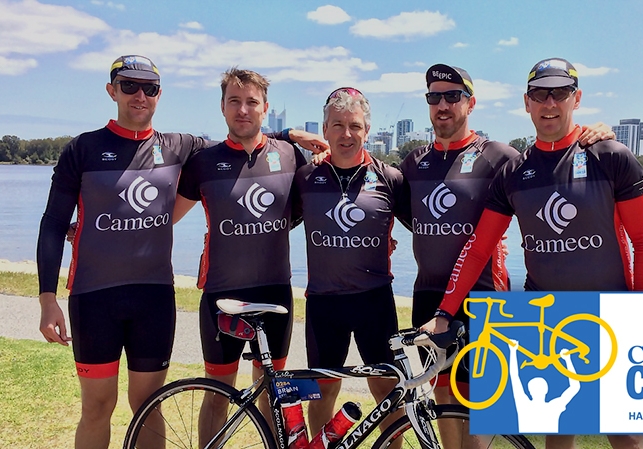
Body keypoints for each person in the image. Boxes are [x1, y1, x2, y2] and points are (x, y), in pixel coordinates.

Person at [36, 55, 325, 449]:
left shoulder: (182, 147)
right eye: (129, 86)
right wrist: (47, 297)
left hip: (157, 296)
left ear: (159, 95)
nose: (140, 95)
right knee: (98, 406)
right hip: (95, 296)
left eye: (150, 88)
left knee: (150, 403)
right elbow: (53, 222)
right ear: (112, 91)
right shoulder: (85, 149)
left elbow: (250, 150)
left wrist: (292, 135)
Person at [425, 57, 643, 449]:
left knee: (626, 436)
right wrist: (445, 311)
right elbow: (480, 247)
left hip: (610, 313)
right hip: (545, 316)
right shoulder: (515, 171)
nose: (549, 103)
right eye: (539, 94)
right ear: (527, 102)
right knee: (556, 428)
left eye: (560, 93)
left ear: (576, 98)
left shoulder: (611, 156)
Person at [400, 63, 616, 414]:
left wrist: (593, 135)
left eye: (452, 96)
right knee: (443, 398)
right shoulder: (414, 162)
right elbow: (382, 207)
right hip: (428, 295)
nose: (443, 105)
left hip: (485, 294)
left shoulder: (500, 157)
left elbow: (551, 167)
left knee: (482, 404)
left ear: (470, 104)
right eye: (434, 97)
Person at [172, 67, 305, 444]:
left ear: (265, 108)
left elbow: (319, 207)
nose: (242, 110)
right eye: (234, 101)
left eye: (251, 102)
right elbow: (163, 218)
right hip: (221, 294)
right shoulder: (203, 162)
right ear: (222, 107)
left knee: (272, 394)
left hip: (275, 292)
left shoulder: (290, 156)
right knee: (217, 394)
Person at [291, 87, 406, 437]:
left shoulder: (390, 178)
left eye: (354, 126)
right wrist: (288, 134)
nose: (346, 134)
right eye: (337, 125)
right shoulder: (306, 178)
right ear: (324, 130)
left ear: (367, 131)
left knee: (388, 392)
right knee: (322, 390)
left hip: (375, 301)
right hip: (324, 301)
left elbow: (430, 229)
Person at [509, 343, 579, 433]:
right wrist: (568, 360)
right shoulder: (554, 406)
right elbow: (575, 387)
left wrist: (513, 351)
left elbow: (514, 376)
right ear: (546, 390)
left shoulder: (523, 404)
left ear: (529, 391)